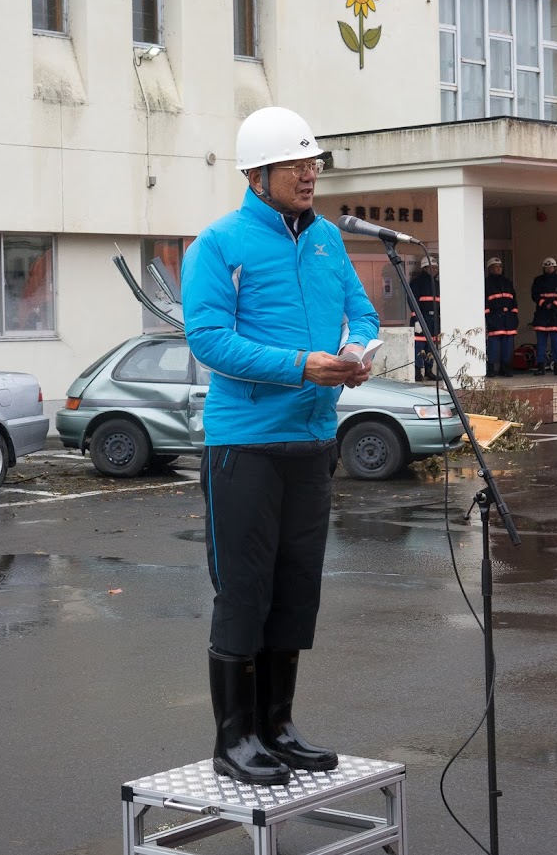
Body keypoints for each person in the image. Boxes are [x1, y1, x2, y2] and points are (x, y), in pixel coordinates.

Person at [181, 106, 380, 786]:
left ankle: (279, 725)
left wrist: (358, 349)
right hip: (246, 445)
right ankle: (233, 738)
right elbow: (208, 339)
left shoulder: (326, 239)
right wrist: (303, 365)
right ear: (256, 173)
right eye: (295, 164)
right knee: (245, 588)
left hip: (313, 441)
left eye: (313, 162)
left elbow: (364, 310)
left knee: (296, 587)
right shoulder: (219, 244)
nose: (308, 173)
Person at [530, 257, 557, 376]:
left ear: (555, 267)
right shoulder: (538, 280)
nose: (548, 269)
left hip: (555, 316)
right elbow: (534, 295)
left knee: (556, 343)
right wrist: (544, 303)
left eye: (550, 267)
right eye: (546, 267)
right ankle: (541, 367)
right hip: (541, 315)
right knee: (541, 344)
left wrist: (555, 305)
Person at [484, 256, 518, 377]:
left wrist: (514, 315)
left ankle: (506, 369)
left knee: (508, 347)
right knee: (494, 346)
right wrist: (489, 317)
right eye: (495, 267)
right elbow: (485, 302)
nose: (498, 269)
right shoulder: (487, 283)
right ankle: (491, 369)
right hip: (495, 318)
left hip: (508, 319)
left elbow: (514, 301)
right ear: (490, 269)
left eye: (499, 267)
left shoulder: (507, 282)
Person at [409, 256, 440, 382]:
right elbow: (413, 302)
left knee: (431, 346)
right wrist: (416, 319)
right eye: (432, 268)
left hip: (434, 320)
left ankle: (429, 370)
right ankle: (417, 371)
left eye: (436, 268)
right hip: (422, 318)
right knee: (419, 345)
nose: (435, 270)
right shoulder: (417, 283)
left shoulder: (437, 284)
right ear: (425, 268)